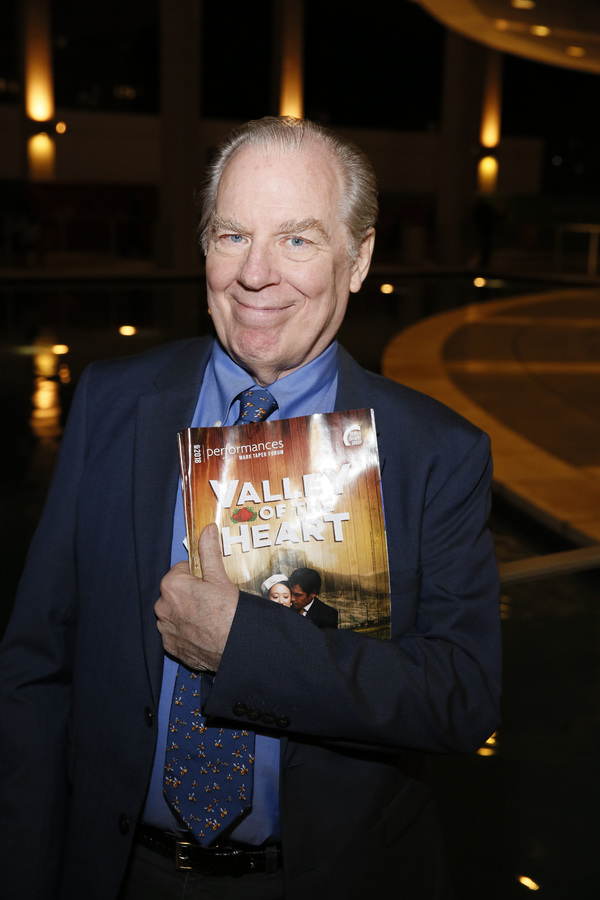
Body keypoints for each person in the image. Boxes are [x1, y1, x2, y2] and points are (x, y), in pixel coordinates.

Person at [0, 116, 501, 900]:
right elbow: (36, 668)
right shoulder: (113, 403)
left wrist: (244, 643)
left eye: (298, 240)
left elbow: (461, 697)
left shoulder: (436, 452)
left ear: (359, 257)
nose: (255, 274)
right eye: (232, 235)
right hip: (119, 871)